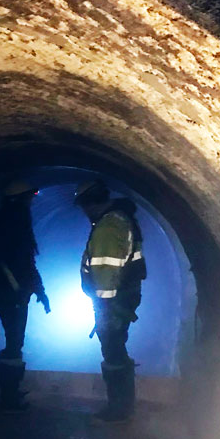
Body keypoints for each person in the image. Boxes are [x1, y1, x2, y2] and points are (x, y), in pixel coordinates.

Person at [75, 179, 146, 422]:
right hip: (121, 299)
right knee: (115, 348)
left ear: (90, 204)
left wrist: (104, 305)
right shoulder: (119, 220)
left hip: (112, 302)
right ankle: (121, 405)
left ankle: (119, 408)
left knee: (113, 349)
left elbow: (106, 268)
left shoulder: (108, 226)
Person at [0, 180, 50, 411]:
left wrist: (39, 291)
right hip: (12, 295)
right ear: (19, 199)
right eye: (29, 197)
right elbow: (22, 263)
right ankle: (9, 397)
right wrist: (33, 291)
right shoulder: (14, 223)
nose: (31, 202)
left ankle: (10, 392)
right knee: (14, 343)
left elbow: (25, 263)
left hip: (9, 293)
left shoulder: (8, 223)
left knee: (14, 342)